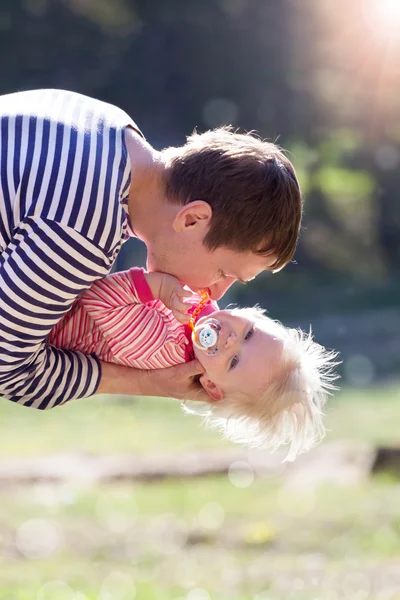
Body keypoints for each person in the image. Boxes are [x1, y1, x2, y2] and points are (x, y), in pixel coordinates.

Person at [0, 88, 302, 409]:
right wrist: (144, 382)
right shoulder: (85, 229)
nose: (214, 294)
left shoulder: (111, 126)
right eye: (223, 272)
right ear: (192, 220)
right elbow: (8, 371)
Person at [48, 268, 338, 460]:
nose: (229, 341)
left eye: (234, 361)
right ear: (255, 314)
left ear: (210, 384)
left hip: (46, 318)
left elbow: (97, 301)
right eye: (249, 333)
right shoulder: (203, 309)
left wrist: (157, 286)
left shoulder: (162, 347)